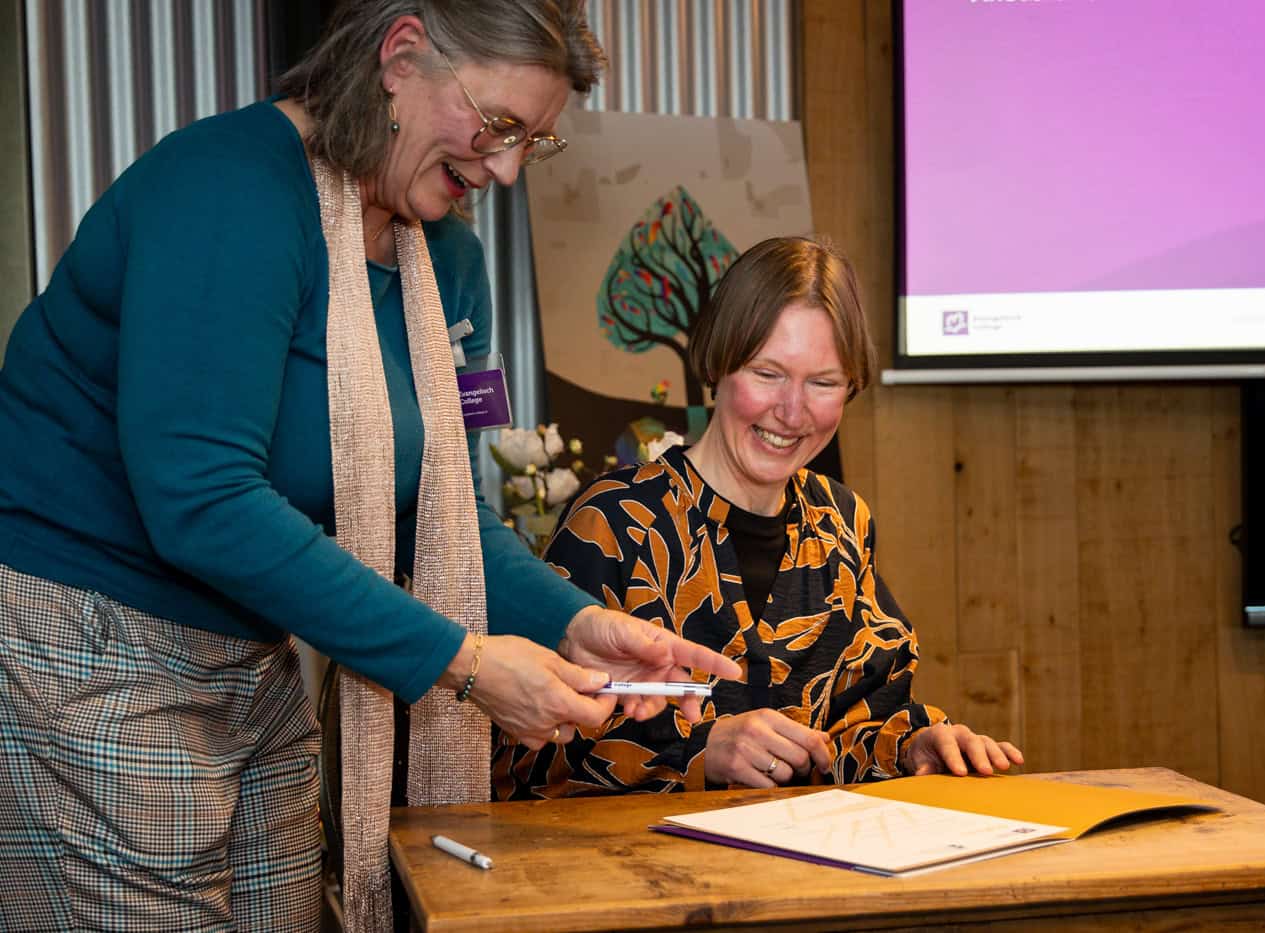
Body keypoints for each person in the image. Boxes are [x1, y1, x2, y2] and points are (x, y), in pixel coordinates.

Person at [0, 2, 736, 931]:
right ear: (401, 55)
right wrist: (464, 663)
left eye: (533, 142)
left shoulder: (447, 261)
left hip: (253, 656)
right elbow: (202, 500)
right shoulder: (230, 188)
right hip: (95, 644)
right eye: (499, 124)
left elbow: (439, 517)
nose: (506, 168)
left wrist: (575, 622)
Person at [494, 236, 1023, 800]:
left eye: (822, 383)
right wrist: (700, 753)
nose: (792, 412)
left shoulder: (842, 522)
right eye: (768, 373)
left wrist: (912, 747)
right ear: (718, 365)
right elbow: (525, 757)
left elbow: (855, 727)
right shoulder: (616, 520)